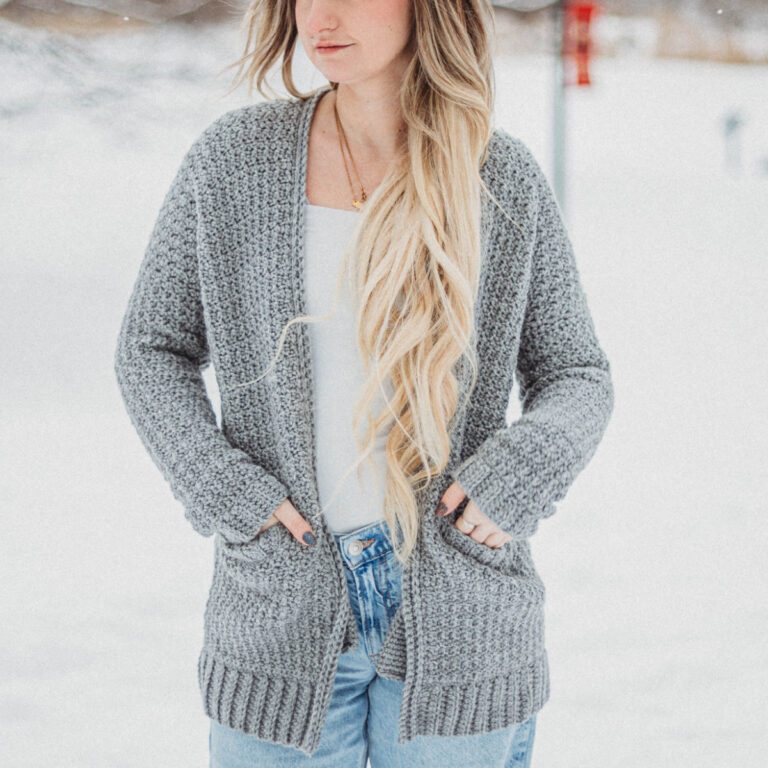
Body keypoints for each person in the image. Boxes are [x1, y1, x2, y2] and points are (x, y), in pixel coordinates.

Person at [114, 1, 614, 766]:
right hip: (280, 611)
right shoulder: (232, 163)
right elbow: (151, 349)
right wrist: (224, 490)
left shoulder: (498, 176)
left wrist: (520, 473)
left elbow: (577, 374)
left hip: (460, 618)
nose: (323, 13)